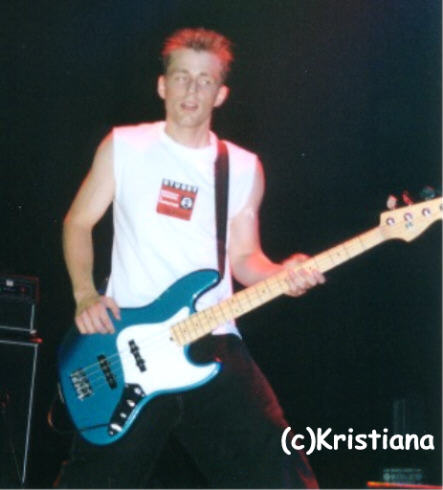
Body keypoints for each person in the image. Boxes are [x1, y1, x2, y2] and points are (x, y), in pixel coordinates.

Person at [56, 27, 325, 489]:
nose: (191, 90)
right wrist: (85, 295)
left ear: (221, 94)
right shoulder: (125, 146)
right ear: (163, 85)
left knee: (279, 472)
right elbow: (78, 222)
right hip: (128, 345)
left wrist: (284, 274)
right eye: (182, 77)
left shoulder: (242, 167)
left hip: (212, 338)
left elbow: (245, 258)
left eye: (205, 80)